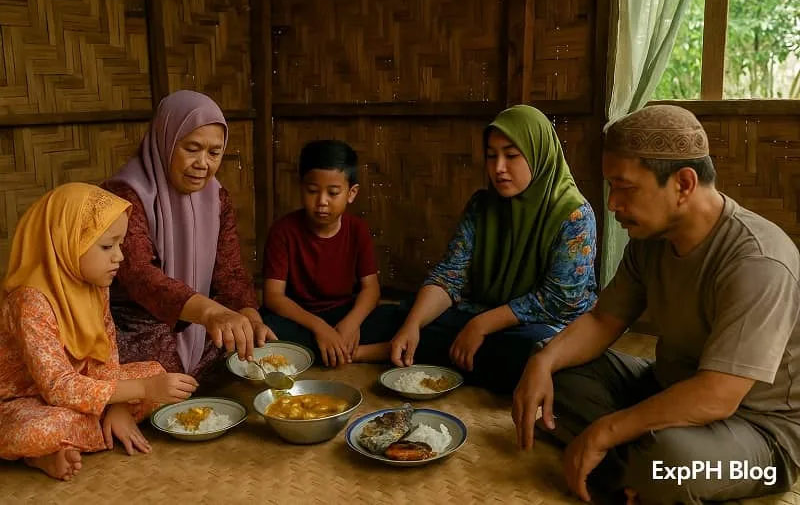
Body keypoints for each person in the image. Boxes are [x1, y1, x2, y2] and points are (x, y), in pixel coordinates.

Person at [512, 105, 800, 504]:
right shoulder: (649, 241)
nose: (612, 204)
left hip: (761, 436)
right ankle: (634, 469)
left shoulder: (758, 261)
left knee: (670, 461)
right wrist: (542, 361)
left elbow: (719, 395)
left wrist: (605, 431)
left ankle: (630, 464)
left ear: (683, 184)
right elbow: (602, 320)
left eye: (625, 187)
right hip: (666, 386)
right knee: (553, 374)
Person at [390, 105, 598, 393]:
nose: (498, 167)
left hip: (546, 325)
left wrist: (481, 325)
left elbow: (559, 301)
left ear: (538, 154)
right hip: (487, 312)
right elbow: (451, 274)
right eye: (491, 156)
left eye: (511, 155)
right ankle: (448, 353)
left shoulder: (574, 215)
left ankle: (437, 355)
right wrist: (412, 324)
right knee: (406, 313)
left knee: (535, 350)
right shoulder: (482, 206)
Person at [0, 183, 198, 481]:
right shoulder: (30, 300)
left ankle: (76, 438)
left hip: (85, 389)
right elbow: (57, 386)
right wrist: (141, 391)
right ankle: (40, 454)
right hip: (25, 401)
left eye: (120, 245)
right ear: (67, 243)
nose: (119, 256)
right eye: (107, 246)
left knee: (156, 370)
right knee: (36, 430)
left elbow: (107, 358)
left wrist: (118, 404)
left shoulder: (96, 285)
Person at [103, 90, 275, 380]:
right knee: (156, 369)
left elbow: (230, 271)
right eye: (191, 148)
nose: (203, 163)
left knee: (247, 349)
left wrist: (249, 317)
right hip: (138, 321)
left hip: (201, 319)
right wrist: (209, 313)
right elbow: (140, 276)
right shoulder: (123, 196)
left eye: (214, 152)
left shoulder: (217, 198)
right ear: (165, 141)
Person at [261, 140, 400, 367]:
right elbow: (274, 297)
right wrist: (320, 328)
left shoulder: (357, 229)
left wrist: (351, 323)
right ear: (301, 187)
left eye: (333, 192)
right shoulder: (283, 230)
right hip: (301, 319)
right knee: (267, 331)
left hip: (344, 313)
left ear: (351, 193)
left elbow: (371, 289)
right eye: (312, 191)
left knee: (400, 316)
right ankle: (359, 353)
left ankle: (329, 353)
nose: (322, 201)